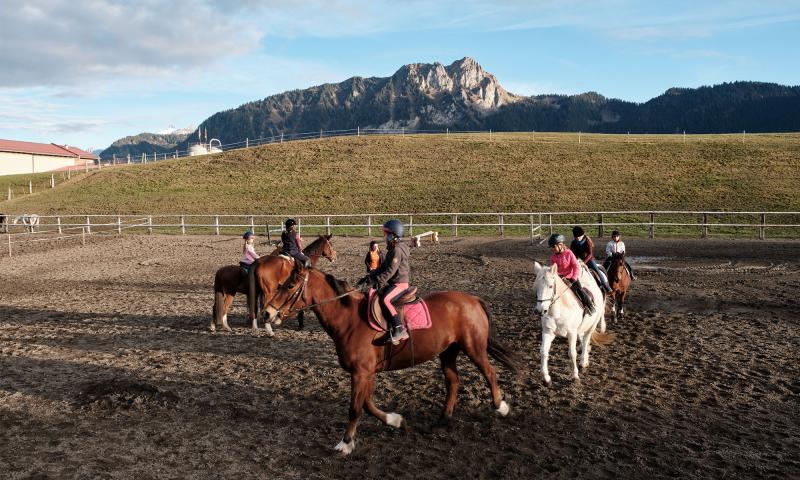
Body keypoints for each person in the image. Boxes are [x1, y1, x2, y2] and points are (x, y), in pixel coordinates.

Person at [357, 219, 411, 345]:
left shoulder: (397, 250)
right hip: (394, 283)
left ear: (394, 235)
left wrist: (378, 280)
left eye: (386, 234)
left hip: (400, 284)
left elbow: (391, 271)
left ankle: (399, 329)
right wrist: (369, 277)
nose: (384, 236)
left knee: (385, 300)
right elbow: (382, 267)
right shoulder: (392, 249)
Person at [548, 233, 596, 315]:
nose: (553, 249)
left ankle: (589, 306)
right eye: (552, 247)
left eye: (554, 247)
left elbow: (576, 266)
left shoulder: (569, 253)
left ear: (561, 245)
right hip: (560, 279)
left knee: (579, 290)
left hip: (571, 278)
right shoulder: (552, 257)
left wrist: (573, 278)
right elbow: (553, 270)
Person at [570, 226, 611, 293]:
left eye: (579, 236)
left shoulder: (587, 241)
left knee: (597, 271)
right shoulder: (573, 243)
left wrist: (583, 262)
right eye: (576, 237)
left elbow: (590, 254)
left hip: (589, 260)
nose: (577, 238)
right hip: (578, 261)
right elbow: (572, 254)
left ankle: (606, 286)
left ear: (582, 235)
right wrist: (575, 261)